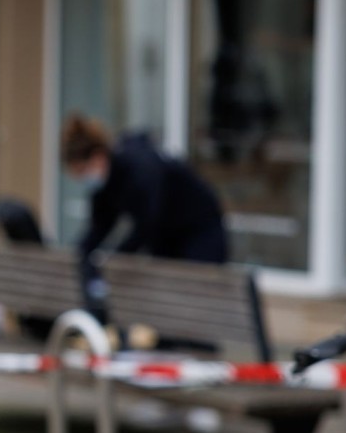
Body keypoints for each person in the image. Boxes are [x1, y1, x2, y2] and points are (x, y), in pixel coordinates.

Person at [61, 113, 228, 316]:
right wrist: (81, 257)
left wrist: (113, 261)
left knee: (193, 304)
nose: (84, 179)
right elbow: (99, 228)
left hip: (200, 230)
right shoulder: (106, 187)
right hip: (167, 235)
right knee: (167, 308)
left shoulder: (140, 166)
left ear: (98, 157)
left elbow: (147, 223)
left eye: (82, 171)